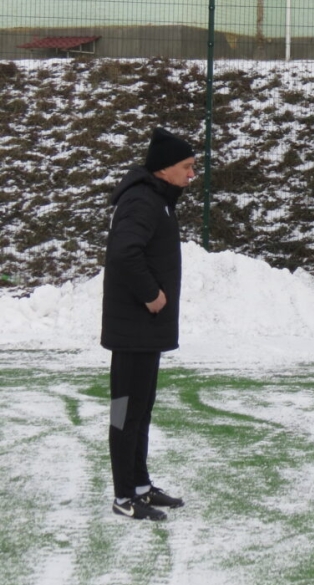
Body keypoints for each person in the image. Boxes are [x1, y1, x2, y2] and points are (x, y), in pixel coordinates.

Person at [102, 128, 196, 520]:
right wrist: (152, 295)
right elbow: (124, 252)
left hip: (145, 331)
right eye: (187, 167)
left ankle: (140, 485)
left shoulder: (157, 200)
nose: (193, 174)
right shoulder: (142, 201)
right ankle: (124, 496)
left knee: (140, 408)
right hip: (133, 329)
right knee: (125, 411)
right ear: (164, 169)